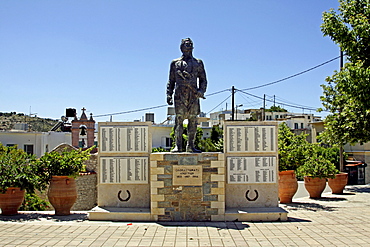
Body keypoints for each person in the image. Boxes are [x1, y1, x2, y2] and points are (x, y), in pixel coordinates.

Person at [166, 38, 208, 152]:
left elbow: (203, 80)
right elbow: (171, 81)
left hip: (193, 95)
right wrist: (168, 94)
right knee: (179, 120)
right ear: (181, 48)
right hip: (179, 95)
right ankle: (178, 146)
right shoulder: (175, 63)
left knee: (193, 120)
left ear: (192, 48)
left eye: (189, 46)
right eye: (185, 46)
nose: (187, 48)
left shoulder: (198, 63)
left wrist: (201, 91)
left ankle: (191, 146)